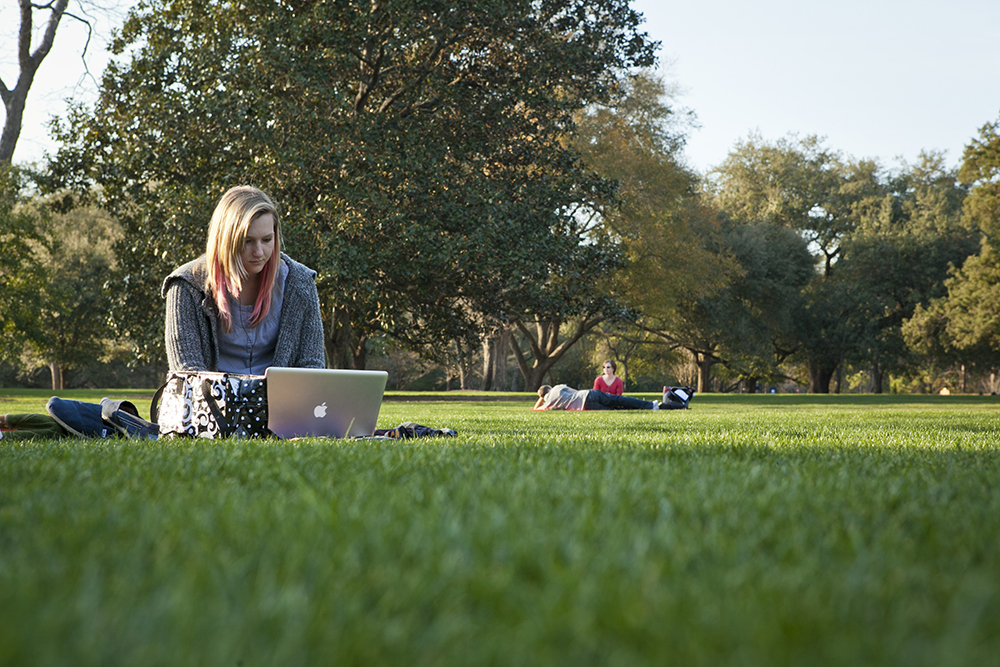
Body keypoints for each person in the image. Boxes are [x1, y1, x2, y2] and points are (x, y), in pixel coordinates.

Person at [162, 185, 325, 373]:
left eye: (266, 240)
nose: (258, 252)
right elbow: (187, 374)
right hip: (208, 400)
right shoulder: (187, 286)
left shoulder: (300, 283)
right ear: (225, 240)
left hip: (280, 402)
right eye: (247, 241)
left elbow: (312, 366)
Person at [533, 384, 694, 411]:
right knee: (618, 400)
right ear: (549, 388)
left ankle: (655, 407)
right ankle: (651, 405)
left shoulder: (547, 405)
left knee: (616, 408)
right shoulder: (557, 388)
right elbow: (576, 390)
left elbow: (535, 409)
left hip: (586, 407)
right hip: (588, 394)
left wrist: (541, 398)